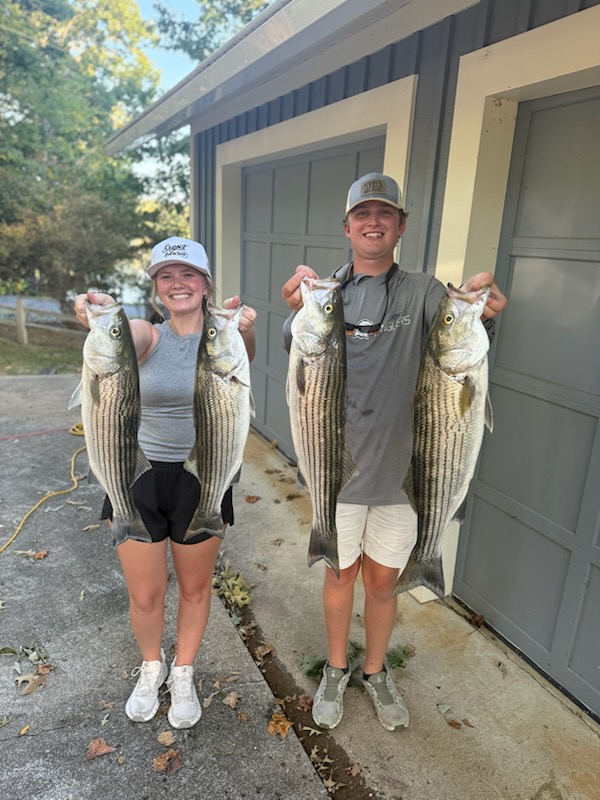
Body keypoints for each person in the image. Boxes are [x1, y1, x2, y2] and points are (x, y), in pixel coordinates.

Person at [281, 173, 507, 732]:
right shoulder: (324, 293)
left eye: (385, 213)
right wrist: (294, 311)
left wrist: (485, 314)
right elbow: (299, 349)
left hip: (408, 472)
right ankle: (337, 668)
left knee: (382, 585)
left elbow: (456, 344)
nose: (373, 222)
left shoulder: (426, 292)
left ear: (401, 226)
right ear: (347, 227)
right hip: (336, 469)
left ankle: (376, 671)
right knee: (339, 577)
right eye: (363, 214)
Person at [74, 236, 256, 729]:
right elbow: (121, 342)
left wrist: (244, 328)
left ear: (205, 284)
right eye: (166, 276)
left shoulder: (226, 338)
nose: (178, 284)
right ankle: (151, 666)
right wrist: (100, 320)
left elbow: (246, 354)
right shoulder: (146, 335)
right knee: (145, 594)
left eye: (188, 274)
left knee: (195, 589)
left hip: (206, 474)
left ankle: (183, 672)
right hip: (139, 474)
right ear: (156, 288)